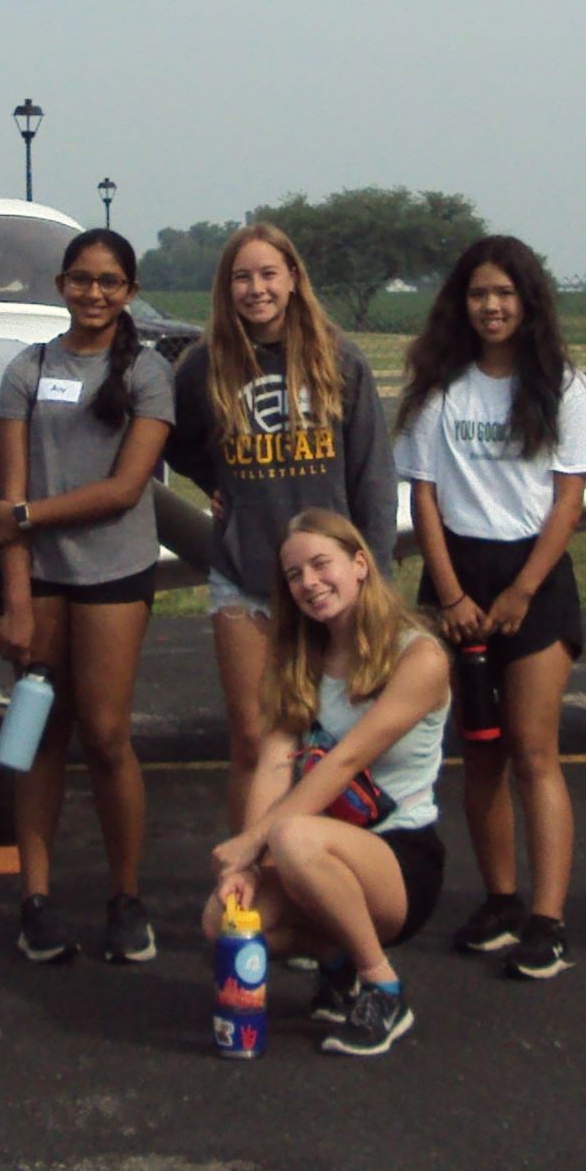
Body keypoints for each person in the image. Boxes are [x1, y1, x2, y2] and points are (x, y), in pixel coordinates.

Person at [394, 234, 586, 981]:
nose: (491, 307)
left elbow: (570, 499)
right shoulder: (438, 385)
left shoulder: (563, 386)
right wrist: (450, 594)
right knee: (478, 750)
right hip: (457, 575)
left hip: (535, 580)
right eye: (479, 294)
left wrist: (521, 592)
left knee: (532, 748)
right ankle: (502, 899)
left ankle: (548, 920)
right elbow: (422, 493)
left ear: (529, 302)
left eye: (505, 294)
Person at [0, 229, 176, 967]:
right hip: (40, 579)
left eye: (109, 282)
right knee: (35, 733)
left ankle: (125, 898)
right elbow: (9, 491)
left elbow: (126, 489)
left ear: (128, 291)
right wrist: (16, 598)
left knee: (104, 735)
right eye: (80, 279)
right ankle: (34, 900)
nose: (93, 293)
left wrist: (28, 518)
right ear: (60, 285)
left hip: (114, 576)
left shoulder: (150, 375)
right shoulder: (26, 371)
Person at [167, 223, 396, 830]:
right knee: (252, 739)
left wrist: (377, 578)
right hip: (245, 576)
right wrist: (215, 480)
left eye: (269, 274)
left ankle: (314, 865)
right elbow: (169, 436)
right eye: (242, 277)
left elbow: (373, 472)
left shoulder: (339, 357)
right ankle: (247, 877)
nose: (256, 288)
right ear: (227, 288)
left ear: (294, 279)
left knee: (326, 741)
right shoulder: (204, 364)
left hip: (329, 582)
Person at [203, 512, 451, 1057]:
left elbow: (346, 760)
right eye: (294, 576)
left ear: (360, 564)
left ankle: (382, 985)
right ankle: (336, 962)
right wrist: (247, 866)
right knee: (224, 921)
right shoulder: (302, 659)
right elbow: (273, 762)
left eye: (321, 564)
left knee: (291, 835)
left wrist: (255, 841)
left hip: (399, 859)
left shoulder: (419, 656)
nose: (309, 583)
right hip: (318, 849)